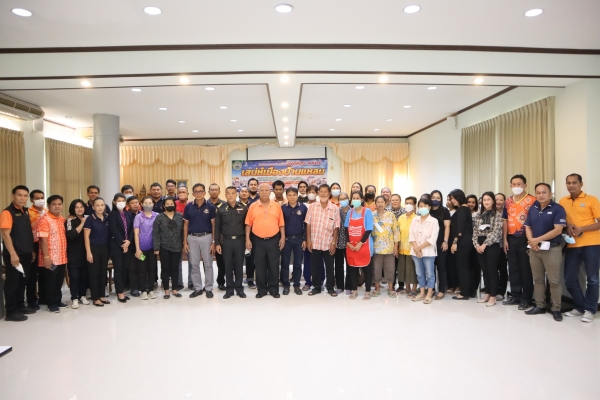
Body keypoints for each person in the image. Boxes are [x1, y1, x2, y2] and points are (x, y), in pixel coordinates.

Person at [559, 174, 600, 323]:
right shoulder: (563, 201)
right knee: (569, 278)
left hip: (592, 244)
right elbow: (561, 220)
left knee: (593, 279)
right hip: (572, 244)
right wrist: (567, 225)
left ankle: (590, 310)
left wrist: (582, 228)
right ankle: (580, 306)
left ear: (581, 184)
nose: (571, 185)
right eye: (568, 183)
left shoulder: (592, 200)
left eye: (574, 183)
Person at [524, 183, 567, 321]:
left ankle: (556, 308)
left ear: (550, 194)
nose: (541, 195)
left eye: (544, 192)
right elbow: (527, 226)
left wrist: (537, 240)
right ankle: (540, 306)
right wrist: (532, 241)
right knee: (538, 279)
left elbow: (558, 230)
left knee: (554, 281)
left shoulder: (558, 209)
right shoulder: (533, 208)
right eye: (538, 192)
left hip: (552, 249)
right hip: (535, 249)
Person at [1, 185, 36, 321]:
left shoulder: (25, 212)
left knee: (22, 281)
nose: (22, 198)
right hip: (14, 254)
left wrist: (31, 250)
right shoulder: (7, 212)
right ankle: (11, 311)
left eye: (25, 195)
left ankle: (20, 305)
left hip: (26, 253)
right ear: (13, 196)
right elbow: (6, 235)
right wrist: (13, 254)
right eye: (19, 195)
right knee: (12, 283)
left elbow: (27, 233)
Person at [245, 183, 285, 298]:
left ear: (270, 192)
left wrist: (282, 237)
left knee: (274, 265)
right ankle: (261, 290)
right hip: (257, 240)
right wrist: (247, 239)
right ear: (258, 192)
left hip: (274, 239)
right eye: (261, 190)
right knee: (259, 265)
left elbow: (281, 223)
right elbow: (248, 224)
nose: (264, 192)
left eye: (266, 190)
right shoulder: (252, 206)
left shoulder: (276, 206)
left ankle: (273, 289)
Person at [502, 174, 536, 309]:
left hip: (526, 239)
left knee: (526, 269)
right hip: (511, 238)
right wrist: (505, 239)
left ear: (525, 185)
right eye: (514, 184)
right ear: (510, 186)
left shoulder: (532, 200)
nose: (516, 186)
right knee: (513, 268)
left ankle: (526, 298)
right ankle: (515, 295)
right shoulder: (508, 201)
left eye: (519, 184)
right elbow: (505, 221)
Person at [305, 184, 340, 297]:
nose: (323, 194)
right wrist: (308, 240)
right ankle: (316, 287)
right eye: (321, 191)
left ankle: (330, 288)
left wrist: (334, 242)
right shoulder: (312, 207)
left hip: (328, 243)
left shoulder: (334, 208)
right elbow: (308, 224)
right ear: (318, 193)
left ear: (329, 194)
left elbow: (336, 227)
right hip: (315, 241)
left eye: (326, 192)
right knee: (314, 266)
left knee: (329, 267)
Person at [183, 183, 216, 299]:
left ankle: (208, 288)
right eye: (196, 191)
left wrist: (213, 242)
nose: (198, 193)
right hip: (192, 238)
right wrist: (185, 242)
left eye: (201, 191)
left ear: (205, 193)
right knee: (194, 264)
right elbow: (185, 225)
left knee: (208, 264)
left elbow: (213, 226)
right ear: (193, 193)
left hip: (207, 237)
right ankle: (197, 288)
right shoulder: (188, 207)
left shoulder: (210, 207)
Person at [215, 187, 248, 299]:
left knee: (239, 265)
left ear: (236, 194)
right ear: (225, 195)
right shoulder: (220, 208)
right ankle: (229, 290)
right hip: (226, 241)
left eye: (233, 193)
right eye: (228, 193)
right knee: (227, 265)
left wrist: (247, 241)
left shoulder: (244, 207)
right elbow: (217, 228)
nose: (230, 195)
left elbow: (247, 226)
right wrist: (217, 243)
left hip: (240, 240)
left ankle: (239, 288)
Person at [37, 195, 67, 313]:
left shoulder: (62, 219)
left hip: (61, 256)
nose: (57, 206)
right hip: (50, 257)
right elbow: (43, 240)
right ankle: (51, 303)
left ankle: (58, 300)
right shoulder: (44, 219)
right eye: (54, 204)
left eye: (59, 204)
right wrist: (46, 257)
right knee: (50, 281)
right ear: (49, 205)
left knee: (59, 280)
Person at [472, 192, 503, 307]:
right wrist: (476, 245)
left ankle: (493, 295)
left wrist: (485, 244)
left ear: (493, 201)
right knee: (484, 270)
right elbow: (475, 231)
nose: (486, 202)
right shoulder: (479, 215)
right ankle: (487, 293)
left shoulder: (497, 214)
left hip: (491, 244)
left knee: (492, 270)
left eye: (488, 199)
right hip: (479, 244)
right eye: (484, 200)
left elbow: (496, 232)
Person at [409, 198, 439, 304]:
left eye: (425, 206)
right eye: (421, 206)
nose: (423, 208)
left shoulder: (434, 221)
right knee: (419, 273)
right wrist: (416, 248)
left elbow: (432, 239)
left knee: (430, 274)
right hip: (415, 252)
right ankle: (422, 292)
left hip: (429, 252)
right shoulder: (414, 220)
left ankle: (429, 293)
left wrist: (419, 248)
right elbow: (411, 235)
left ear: (429, 207)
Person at [153, 196, 183, 299]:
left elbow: (182, 231)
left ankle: (175, 289)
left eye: (171, 204)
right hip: (164, 247)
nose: (170, 205)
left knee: (175, 268)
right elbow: (156, 233)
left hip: (177, 246)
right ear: (163, 206)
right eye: (167, 204)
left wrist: (184, 244)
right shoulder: (159, 217)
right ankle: (166, 290)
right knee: (165, 268)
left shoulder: (179, 216)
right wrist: (156, 248)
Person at [345, 191, 373, 300]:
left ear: (362, 199)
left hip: (364, 245)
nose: (355, 200)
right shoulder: (350, 212)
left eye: (357, 198)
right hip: (351, 245)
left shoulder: (367, 211)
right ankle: (354, 290)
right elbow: (346, 228)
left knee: (367, 269)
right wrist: (348, 243)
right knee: (353, 269)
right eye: (354, 198)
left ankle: (367, 291)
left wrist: (360, 244)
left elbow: (369, 229)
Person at [83, 197, 111, 307]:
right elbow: (86, 237)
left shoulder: (107, 217)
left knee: (103, 272)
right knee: (94, 273)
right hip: (93, 248)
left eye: (102, 205)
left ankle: (102, 295)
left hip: (105, 248)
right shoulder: (90, 219)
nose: (100, 207)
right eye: (97, 205)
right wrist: (88, 252)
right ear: (93, 207)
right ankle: (95, 297)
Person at [280, 187, 307, 295]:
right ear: (286, 196)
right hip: (286, 240)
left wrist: (305, 239)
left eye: (294, 195)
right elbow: (280, 224)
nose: (292, 197)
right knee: (285, 263)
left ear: (297, 195)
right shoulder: (282, 208)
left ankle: (296, 285)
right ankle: (286, 285)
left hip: (299, 239)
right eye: (289, 195)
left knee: (297, 264)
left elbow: (306, 224)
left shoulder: (303, 207)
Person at [107, 193, 133, 303]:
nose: (121, 202)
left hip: (127, 245)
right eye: (119, 201)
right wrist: (123, 244)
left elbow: (131, 229)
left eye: (123, 200)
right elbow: (114, 231)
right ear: (114, 202)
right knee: (118, 269)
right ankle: (120, 292)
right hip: (116, 246)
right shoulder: (112, 215)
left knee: (124, 269)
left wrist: (128, 241)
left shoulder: (128, 214)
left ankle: (122, 289)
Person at [372, 196, 399, 297]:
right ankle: (377, 288)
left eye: (382, 202)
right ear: (375, 203)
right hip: (376, 247)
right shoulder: (372, 215)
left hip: (389, 248)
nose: (380, 204)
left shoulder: (391, 215)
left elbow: (396, 231)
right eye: (378, 202)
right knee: (376, 269)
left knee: (390, 269)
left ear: (385, 203)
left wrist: (396, 246)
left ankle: (391, 288)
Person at [449, 189, 474, 300]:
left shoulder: (462, 210)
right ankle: (469, 291)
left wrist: (455, 242)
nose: (452, 201)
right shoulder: (465, 209)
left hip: (462, 243)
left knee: (462, 268)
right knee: (465, 267)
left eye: (453, 198)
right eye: (451, 199)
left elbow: (460, 228)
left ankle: (464, 293)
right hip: (465, 242)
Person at [65, 199, 90, 309]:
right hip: (74, 253)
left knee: (84, 276)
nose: (80, 209)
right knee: (74, 276)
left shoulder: (88, 218)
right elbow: (71, 235)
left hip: (85, 252)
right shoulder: (70, 220)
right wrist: (83, 223)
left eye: (81, 207)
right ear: (73, 209)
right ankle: (74, 298)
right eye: (77, 207)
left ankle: (82, 296)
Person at [133, 196, 159, 300]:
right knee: (142, 269)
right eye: (146, 203)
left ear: (153, 204)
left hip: (153, 248)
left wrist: (158, 247)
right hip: (142, 249)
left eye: (150, 203)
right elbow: (136, 233)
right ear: (142, 204)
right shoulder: (138, 217)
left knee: (152, 269)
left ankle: (151, 290)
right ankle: (143, 290)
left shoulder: (157, 216)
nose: (148, 205)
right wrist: (137, 249)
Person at [302, 184, 324, 291]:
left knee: (319, 261)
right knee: (307, 260)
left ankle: (320, 281)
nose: (311, 194)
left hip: (319, 237)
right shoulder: (303, 206)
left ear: (317, 193)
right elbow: (304, 224)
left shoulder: (321, 205)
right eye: (309, 192)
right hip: (308, 237)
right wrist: (306, 239)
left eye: (313, 192)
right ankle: (308, 282)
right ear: (306, 193)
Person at [429, 190, 451, 300]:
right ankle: (431, 289)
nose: (435, 199)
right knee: (430, 268)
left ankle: (442, 290)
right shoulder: (427, 210)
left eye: (438, 198)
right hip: (429, 243)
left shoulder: (444, 211)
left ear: (441, 199)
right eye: (433, 197)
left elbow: (447, 227)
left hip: (441, 242)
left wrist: (445, 241)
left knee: (441, 267)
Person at [27, 189, 45, 309]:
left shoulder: (47, 212)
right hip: (33, 244)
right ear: (32, 200)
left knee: (44, 272)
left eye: (42, 198)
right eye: (37, 198)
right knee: (32, 274)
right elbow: (26, 232)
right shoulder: (28, 212)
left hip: (45, 244)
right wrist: (30, 249)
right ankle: (31, 300)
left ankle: (43, 297)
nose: (40, 200)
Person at [207, 183, 227, 291]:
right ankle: (207, 283)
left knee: (221, 261)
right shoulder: (205, 204)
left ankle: (221, 281)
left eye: (216, 190)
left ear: (219, 191)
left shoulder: (224, 204)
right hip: (207, 236)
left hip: (220, 237)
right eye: (212, 189)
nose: (214, 191)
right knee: (207, 262)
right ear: (208, 191)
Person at [397, 196, 417, 297]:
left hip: (413, 248)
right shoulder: (401, 218)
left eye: (410, 203)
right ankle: (407, 287)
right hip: (402, 248)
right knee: (404, 269)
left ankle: (414, 288)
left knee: (412, 269)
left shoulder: (417, 218)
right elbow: (397, 232)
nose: (408, 205)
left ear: (414, 205)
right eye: (406, 203)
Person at [174, 185, 189, 289]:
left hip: (190, 235)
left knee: (192, 261)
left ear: (188, 194)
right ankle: (179, 282)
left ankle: (191, 282)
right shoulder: (173, 204)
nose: (182, 194)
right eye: (180, 192)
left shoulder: (191, 205)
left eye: (184, 192)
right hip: (176, 236)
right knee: (177, 261)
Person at [336, 192, 351, 295]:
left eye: (344, 198)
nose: (343, 200)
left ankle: (349, 286)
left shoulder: (353, 211)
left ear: (348, 199)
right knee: (338, 265)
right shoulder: (336, 211)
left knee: (350, 265)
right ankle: (339, 286)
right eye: (341, 199)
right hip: (338, 242)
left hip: (350, 243)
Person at [494, 193, 508, 300]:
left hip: (504, 244)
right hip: (492, 244)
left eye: (501, 200)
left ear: (504, 201)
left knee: (502, 269)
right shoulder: (491, 213)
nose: (498, 202)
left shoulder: (507, 212)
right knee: (493, 269)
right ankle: (493, 290)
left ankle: (501, 292)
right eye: (496, 200)